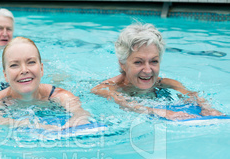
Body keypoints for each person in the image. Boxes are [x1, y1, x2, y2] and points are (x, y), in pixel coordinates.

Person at [91, 22, 222, 120]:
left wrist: (207, 108)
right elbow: (125, 104)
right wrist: (159, 111)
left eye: (154, 61)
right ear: (123, 64)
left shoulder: (169, 84)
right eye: (138, 62)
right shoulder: (104, 88)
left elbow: (191, 95)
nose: (148, 70)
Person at [0, 37, 90, 130]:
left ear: (41, 69)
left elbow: (80, 111)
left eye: (31, 62)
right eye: (14, 65)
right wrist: (30, 125)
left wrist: (78, 117)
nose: (24, 70)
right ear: (5, 75)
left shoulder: (59, 95)